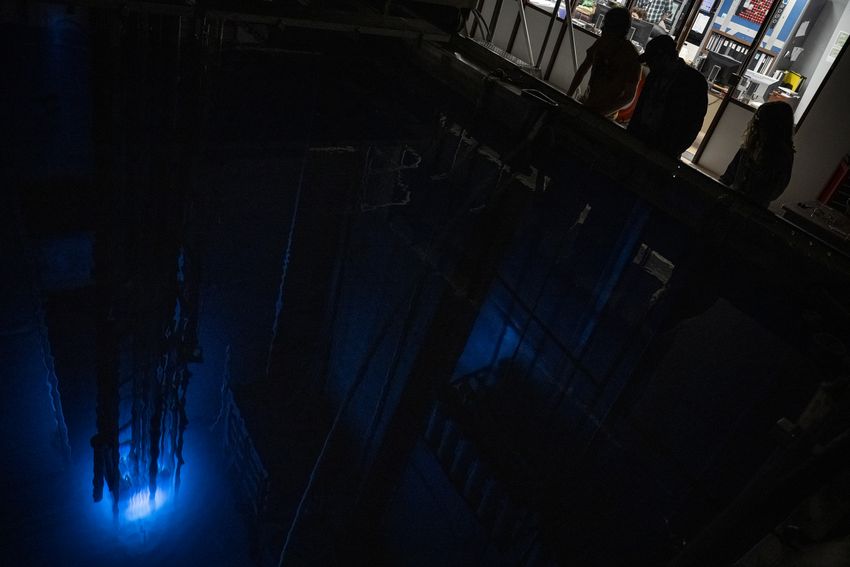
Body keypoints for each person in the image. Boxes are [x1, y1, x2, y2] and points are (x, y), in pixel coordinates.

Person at [627, 35, 708, 158]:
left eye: (651, 61)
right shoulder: (654, 75)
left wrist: (672, 151)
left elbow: (693, 124)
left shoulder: (693, 82)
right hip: (639, 139)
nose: (649, 64)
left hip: (664, 150)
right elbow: (641, 107)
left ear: (664, 58)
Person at [567, 7, 641, 117]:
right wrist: (568, 96)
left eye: (606, 25)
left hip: (606, 115)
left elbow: (629, 96)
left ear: (617, 28)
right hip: (587, 103)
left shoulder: (631, 57)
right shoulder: (601, 42)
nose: (602, 28)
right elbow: (582, 70)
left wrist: (602, 113)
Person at [719, 101, 795, 208]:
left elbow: (773, 192)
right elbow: (729, 175)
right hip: (732, 201)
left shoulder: (782, 157)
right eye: (757, 118)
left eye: (761, 120)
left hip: (751, 209)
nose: (756, 123)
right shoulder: (751, 144)